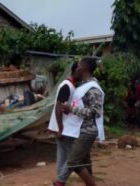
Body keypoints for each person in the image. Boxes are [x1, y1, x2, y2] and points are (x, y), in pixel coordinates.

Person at [61, 57, 105, 186]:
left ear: (84, 69)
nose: (76, 69)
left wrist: (72, 109)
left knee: (73, 162)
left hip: (87, 130)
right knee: (85, 161)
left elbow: (95, 112)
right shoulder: (83, 85)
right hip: (80, 129)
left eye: (79, 66)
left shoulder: (93, 88)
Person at [48, 62, 78, 186]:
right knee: (74, 157)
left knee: (62, 156)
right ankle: (60, 181)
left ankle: (60, 181)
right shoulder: (67, 86)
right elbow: (58, 108)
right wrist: (60, 129)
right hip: (63, 128)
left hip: (62, 127)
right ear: (76, 71)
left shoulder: (69, 85)